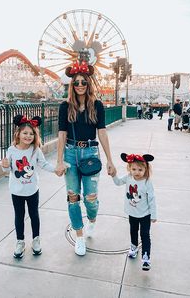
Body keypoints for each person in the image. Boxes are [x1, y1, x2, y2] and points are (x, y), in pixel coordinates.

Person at [55, 49, 116, 256]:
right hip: (71, 153)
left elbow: (103, 133)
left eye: (84, 82)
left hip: (90, 153)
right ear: (72, 85)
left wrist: (110, 160)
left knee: (91, 198)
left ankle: (92, 219)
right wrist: (59, 161)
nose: (80, 85)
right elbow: (61, 134)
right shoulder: (65, 107)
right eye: (77, 82)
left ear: (89, 84)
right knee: (73, 196)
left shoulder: (97, 105)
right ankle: (79, 238)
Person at [2, 114, 55, 258]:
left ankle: (36, 240)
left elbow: (43, 164)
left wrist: (56, 169)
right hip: (16, 191)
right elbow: (8, 171)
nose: (28, 136)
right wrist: (5, 166)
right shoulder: (11, 150)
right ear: (18, 134)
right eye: (25, 133)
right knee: (19, 216)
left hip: (32, 190)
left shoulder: (35, 150)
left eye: (31, 134)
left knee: (34, 215)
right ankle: (20, 242)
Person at [111, 153, 156, 271]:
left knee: (145, 234)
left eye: (140, 169)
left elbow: (152, 199)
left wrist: (153, 214)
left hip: (145, 214)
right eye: (134, 169)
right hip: (132, 213)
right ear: (129, 168)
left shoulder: (147, 182)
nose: (137, 172)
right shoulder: (128, 177)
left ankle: (146, 258)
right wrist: (114, 175)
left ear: (145, 169)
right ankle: (134, 247)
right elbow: (118, 182)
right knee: (133, 231)